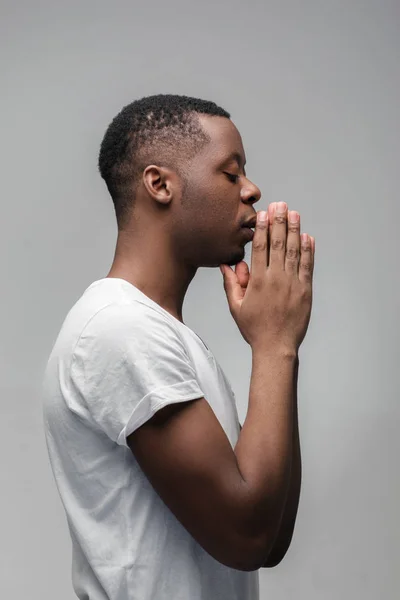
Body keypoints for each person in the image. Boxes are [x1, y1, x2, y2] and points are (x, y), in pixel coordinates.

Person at [42, 94, 315, 600]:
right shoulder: (121, 329)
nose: (252, 190)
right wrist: (274, 343)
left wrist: (282, 344)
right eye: (231, 174)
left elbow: (272, 534)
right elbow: (248, 536)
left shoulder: (161, 335)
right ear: (160, 184)